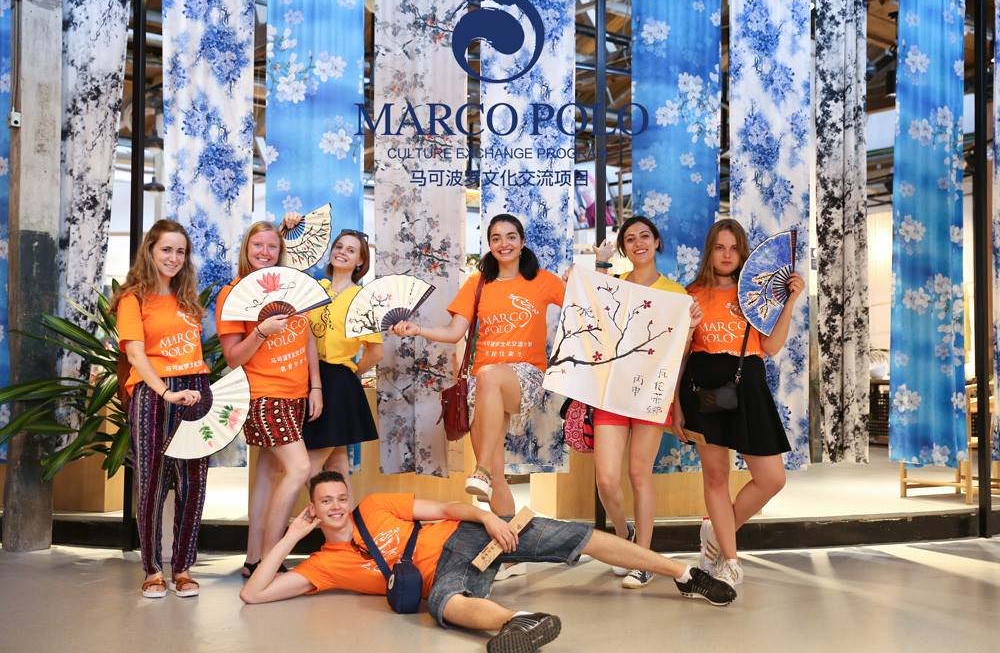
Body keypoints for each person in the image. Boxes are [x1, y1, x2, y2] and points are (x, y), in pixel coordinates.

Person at [239, 471, 737, 653]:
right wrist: (292, 534)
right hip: (455, 568)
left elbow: (446, 508)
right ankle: (521, 622)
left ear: (349, 498)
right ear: (314, 509)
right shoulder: (325, 564)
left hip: (471, 534)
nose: (335, 506)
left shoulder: (374, 506)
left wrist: (488, 517)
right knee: (445, 601)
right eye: (325, 502)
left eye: (339, 498)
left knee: (579, 537)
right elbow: (254, 593)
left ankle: (685, 574)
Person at [389, 214, 564, 520]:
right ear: (489, 245)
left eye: (510, 237)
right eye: (496, 238)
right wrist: (418, 330)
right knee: (497, 478)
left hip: (524, 376)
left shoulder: (543, 280)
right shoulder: (478, 284)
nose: (504, 243)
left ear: (522, 242)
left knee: (489, 377)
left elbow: (583, 307)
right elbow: (454, 332)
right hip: (481, 387)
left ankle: (479, 467)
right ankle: (509, 537)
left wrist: (599, 268)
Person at [673, 218, 805, 587]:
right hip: (702, 388)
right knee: (716, 477)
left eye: (733, 248)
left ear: (743, 252)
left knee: (772, 478)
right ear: (709, 251)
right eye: (720, 247)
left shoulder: (757, 293)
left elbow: (772, 346)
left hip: (749, 387)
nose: (727, 254)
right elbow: (680, 355)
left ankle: (715, 533)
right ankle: (730, 562)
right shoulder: (690, 294)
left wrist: (790, 301)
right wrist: (676, 405)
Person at [591, 216, 703, 589]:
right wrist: (598, 267)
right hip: (613, 391)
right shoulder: (616, 284)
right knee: (607, 478)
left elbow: (678, 355)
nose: (638, 242)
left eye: (644, 236)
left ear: (656, 242)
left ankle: (643, 559)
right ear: (624, 248)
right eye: (630, 238)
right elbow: (593, 324)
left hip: (652, 393)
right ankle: (624, 537)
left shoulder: (676, 293)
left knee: (639, 474)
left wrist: (689, 328)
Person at [216, 221, 323, 577]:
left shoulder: (291, 287)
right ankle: (271, 559)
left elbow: (307, 339)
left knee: (268, 474)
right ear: (246, 248)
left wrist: (315, 387)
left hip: (295, 394)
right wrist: (261, 331)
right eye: (257, 245)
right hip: (264, 395)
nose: (264, 252)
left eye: (272, 246)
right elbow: (234, 358)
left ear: (280, 251)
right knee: (299, 468)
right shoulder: (233, 293)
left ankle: (253, 559)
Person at [113, 219, 211, 598]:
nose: (173, 257)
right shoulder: (133, 299)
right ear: (150, 251)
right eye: (166, 249)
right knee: (152, 482)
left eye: (180, 251)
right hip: (155, 394)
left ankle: (183, 567)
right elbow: (136, 354)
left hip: (196, 389)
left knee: (193, 483)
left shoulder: (187, 299)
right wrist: (166, 392)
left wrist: (194, 390)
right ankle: (153, 569)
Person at [300, 224, 383, 477]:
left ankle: (300, 505)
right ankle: (342, 507)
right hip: (307, 377)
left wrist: (351, 374)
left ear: (360, 261)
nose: (342, 252)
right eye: (338, 247)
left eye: (351, 250)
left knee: (310, 465)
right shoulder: (315, 288)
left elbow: (376, 352)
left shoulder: (363, 298)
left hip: (337, 380)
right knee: (337, 464)